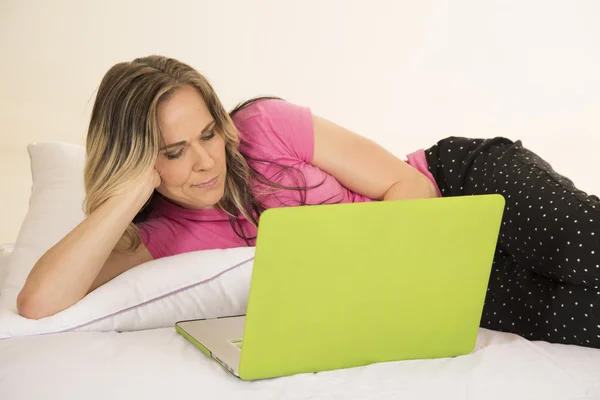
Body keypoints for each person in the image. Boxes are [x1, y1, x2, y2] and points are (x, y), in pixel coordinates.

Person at [17, 55, 600, 349]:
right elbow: (39, 302)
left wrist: (356, 263)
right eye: (172, 151)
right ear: (138, 160)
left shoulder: (266, 126)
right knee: (572, 318)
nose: (204, 161)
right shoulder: (167, 237)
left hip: (462, 184)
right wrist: (130, 194)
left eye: (208, 134)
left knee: (583, 249)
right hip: (428, 279)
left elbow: (411, 186)